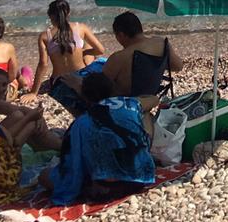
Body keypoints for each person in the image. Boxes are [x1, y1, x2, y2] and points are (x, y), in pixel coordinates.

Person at [47, 72, 156, 206]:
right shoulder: (130, 104)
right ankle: (149, 152)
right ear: (112, 89)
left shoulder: (81, 123)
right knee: (146, 114)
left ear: (85, 96)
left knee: (44, 176)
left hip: (104, 188)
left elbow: (73, 164)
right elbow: (154, 99)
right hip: (139, 179)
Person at [103, 11, 183, 129]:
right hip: (151, 95)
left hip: (126, 106)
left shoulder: (119, 58)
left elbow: (99, 88)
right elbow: (178, 66)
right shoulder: (161, 43)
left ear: (121, 35)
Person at [35, 0, 107, 108]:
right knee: (87, 47)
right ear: (68, 13)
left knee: (83, 48)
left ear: (50, 16)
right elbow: (100, 50)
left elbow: (43, 64)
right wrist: (84, 52)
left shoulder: (45, 36)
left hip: (59, 82)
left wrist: (33, 92)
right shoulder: (80, 27)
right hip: (82, 77)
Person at [0, 67, 61, 152]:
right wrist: (29, 118)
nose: (1, 89)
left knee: (24, 117)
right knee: (23, 118)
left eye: (4, 85)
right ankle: (58, 145)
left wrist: (36, 116)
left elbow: (20, 109)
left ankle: (48, 144)